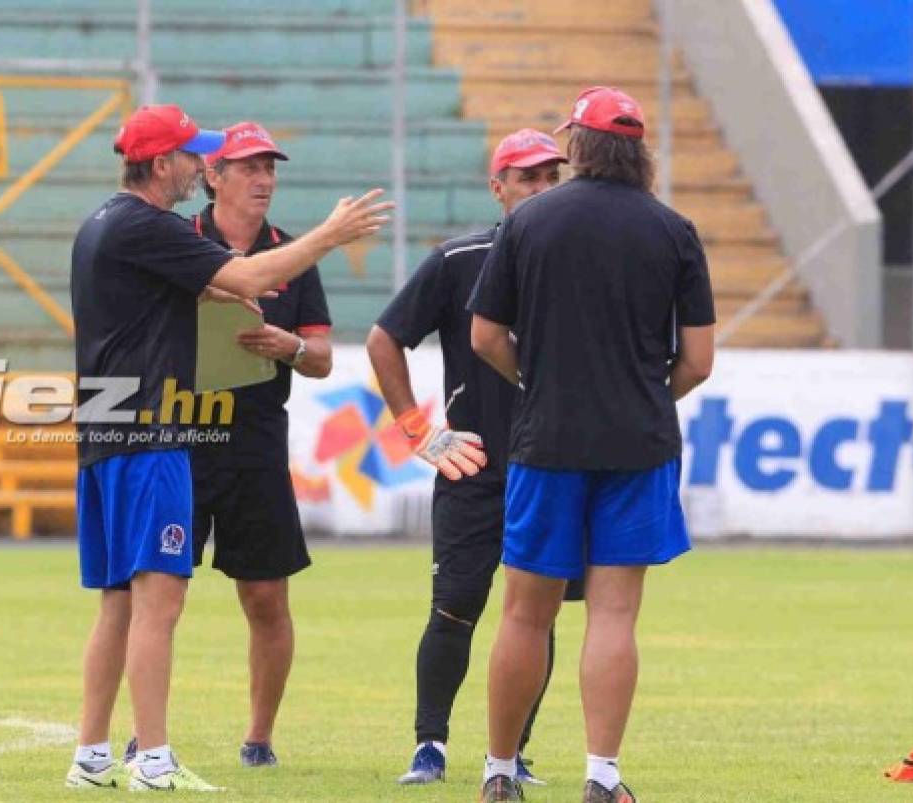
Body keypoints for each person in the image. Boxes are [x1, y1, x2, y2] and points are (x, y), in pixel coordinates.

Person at [66, 104, 392, 792]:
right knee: (161, 599)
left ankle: (91, 754)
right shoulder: (150, 225)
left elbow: (210, 288)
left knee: (119, 601)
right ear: (161, 166)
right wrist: (330, 234)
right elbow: (244, 279)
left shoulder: (101, 222)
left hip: (102, 431)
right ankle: (151, 759)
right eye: (192, 156)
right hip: (152, 433)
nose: (198, 166)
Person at [467, 87, 717, 803]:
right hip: (638, 447)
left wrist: (538, 383)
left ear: (577, 145)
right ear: (637, 150)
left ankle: (498, 771)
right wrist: (642, 398)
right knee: (613, 614)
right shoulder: (674, 230)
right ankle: (602, 776)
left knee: (524, 612)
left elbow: (485, 334)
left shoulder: (530, 221)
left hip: (547, 440)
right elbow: (698, 360)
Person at [367, 129, 580, 788]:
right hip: (475, 467)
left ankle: (512, 752)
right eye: (527, 178)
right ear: (498, 188)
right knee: (455, 607)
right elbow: (384, 340)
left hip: (550, 467)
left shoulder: (582, 262)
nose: (542, 189)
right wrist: (420, 430)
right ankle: (429, 744)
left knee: (537, 614)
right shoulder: (460, 259)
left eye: (551, 177)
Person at [120, 121, 333, 771]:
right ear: (212, 176)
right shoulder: (175, 241)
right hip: (177, 433)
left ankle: (259, 737)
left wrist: (288, 346)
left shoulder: (292, 256)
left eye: (270, 167)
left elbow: (322, 356)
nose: (264, 178)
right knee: (159, 592)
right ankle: (143, 732)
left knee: (267, 597)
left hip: (256, 442)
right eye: (248, 167)